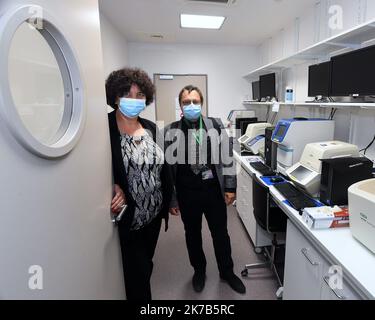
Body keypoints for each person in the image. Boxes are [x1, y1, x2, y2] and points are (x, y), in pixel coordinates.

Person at [165, 85, 246, 294]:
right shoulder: (171, 130)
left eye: (195, 101)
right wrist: (172, 200)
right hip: (186, 192)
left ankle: (227, 272)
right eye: (186, 102)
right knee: (192, 234)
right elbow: (168, 170)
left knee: (221, 234)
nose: (191, 105)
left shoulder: (215, 125)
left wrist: (230, 187)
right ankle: (199, 271)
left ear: (201, 103)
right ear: (180, 105)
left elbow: (227, 157)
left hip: (213, 191)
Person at [106, 67, 173, 300]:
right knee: (136, 277)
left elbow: (163, 168)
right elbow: (91, 169)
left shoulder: (151, 128)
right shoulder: (104, 128)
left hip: (153, 217)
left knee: (145, 264)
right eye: (127, 94)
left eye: (140, 95)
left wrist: (169, 200)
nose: (134, 100)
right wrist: (112, 186)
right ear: (115, 96)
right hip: (129, 219)